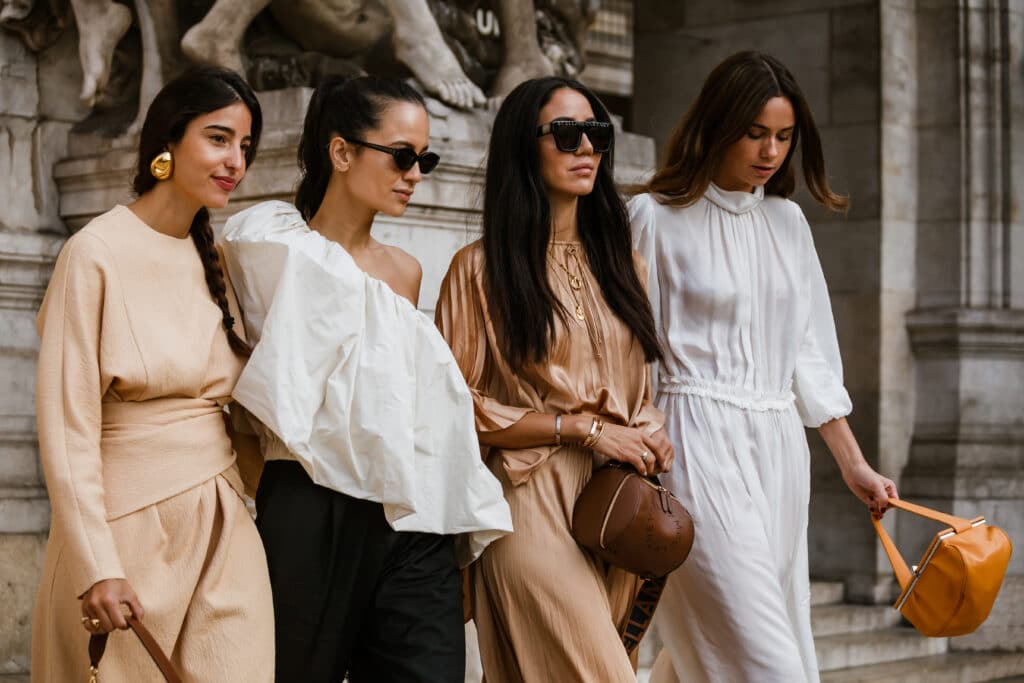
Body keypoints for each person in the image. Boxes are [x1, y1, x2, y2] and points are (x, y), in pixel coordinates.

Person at [218, 75, 512, 683]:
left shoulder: (405, 271)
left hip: (410, 512)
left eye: (424, 159)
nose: (415, 174)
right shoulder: (266, 246)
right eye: (402, 155)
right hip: (307, 503)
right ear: (341, 151)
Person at [628, 51, 899, 683]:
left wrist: (854, 463)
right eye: (755, 133)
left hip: (777, 452)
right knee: (768, 661)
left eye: (783, 136)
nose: (770, 151)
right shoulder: (654, 218)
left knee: (726, 645)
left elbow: (808, 354)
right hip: (692, 442)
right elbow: (631, 350)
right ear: (717, 124)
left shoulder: (787, 222)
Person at [31, 66, 273, 681]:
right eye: (219, 138)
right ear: (168, 141)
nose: (235, 160)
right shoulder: (94, 253)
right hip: (124, 525)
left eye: (245, 146)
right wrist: (95, 564)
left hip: (223, 518)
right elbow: (67, 426)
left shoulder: (215, 259)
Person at [435, 76, 673, 683]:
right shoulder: (478, 270)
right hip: (527, 494)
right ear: (524, 145)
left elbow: (639, 388)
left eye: (597, 133)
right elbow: (453, 405)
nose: (587, 148)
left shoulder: (627, 265)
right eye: (567, 134)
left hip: (619, 503)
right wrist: (582, 429)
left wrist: (648, 428)